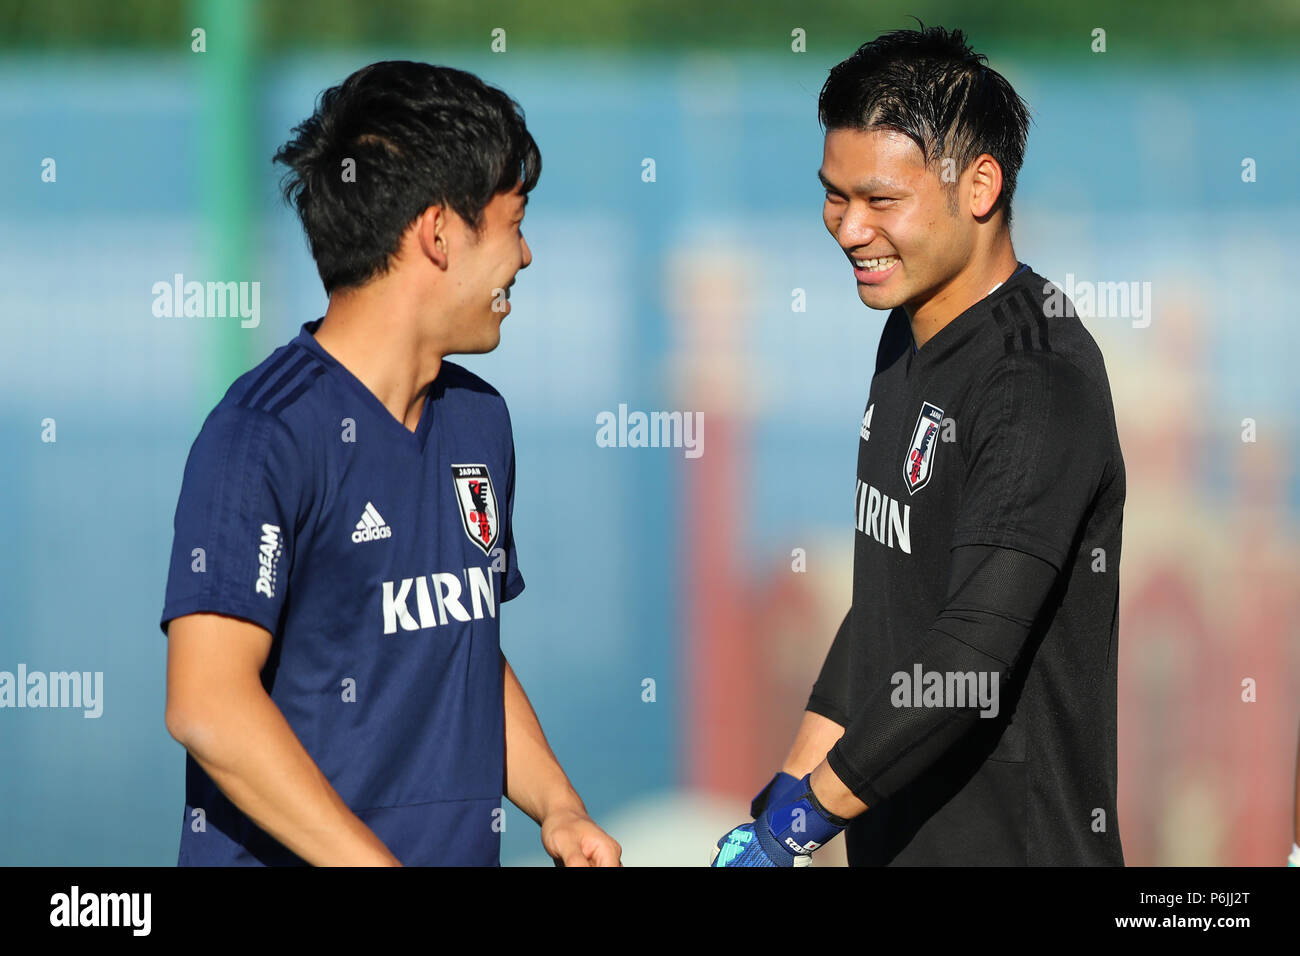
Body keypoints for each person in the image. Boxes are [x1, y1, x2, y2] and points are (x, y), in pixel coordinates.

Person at [161, 60, 620, 867]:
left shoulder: (478, 420)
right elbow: (208, 705)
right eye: (515, 224)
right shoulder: (261, 435)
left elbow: (461, 648)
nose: (527, 257)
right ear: (439, 233)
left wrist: (559, 807)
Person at [712, 25, 1126, 866]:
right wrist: (786, 794)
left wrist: (800, 824)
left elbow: (968, 660)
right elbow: (893, 597)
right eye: (834, 195)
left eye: (881, 201)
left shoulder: (1037, 379)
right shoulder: (909, 328)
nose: (849, 229)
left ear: (979, 186)